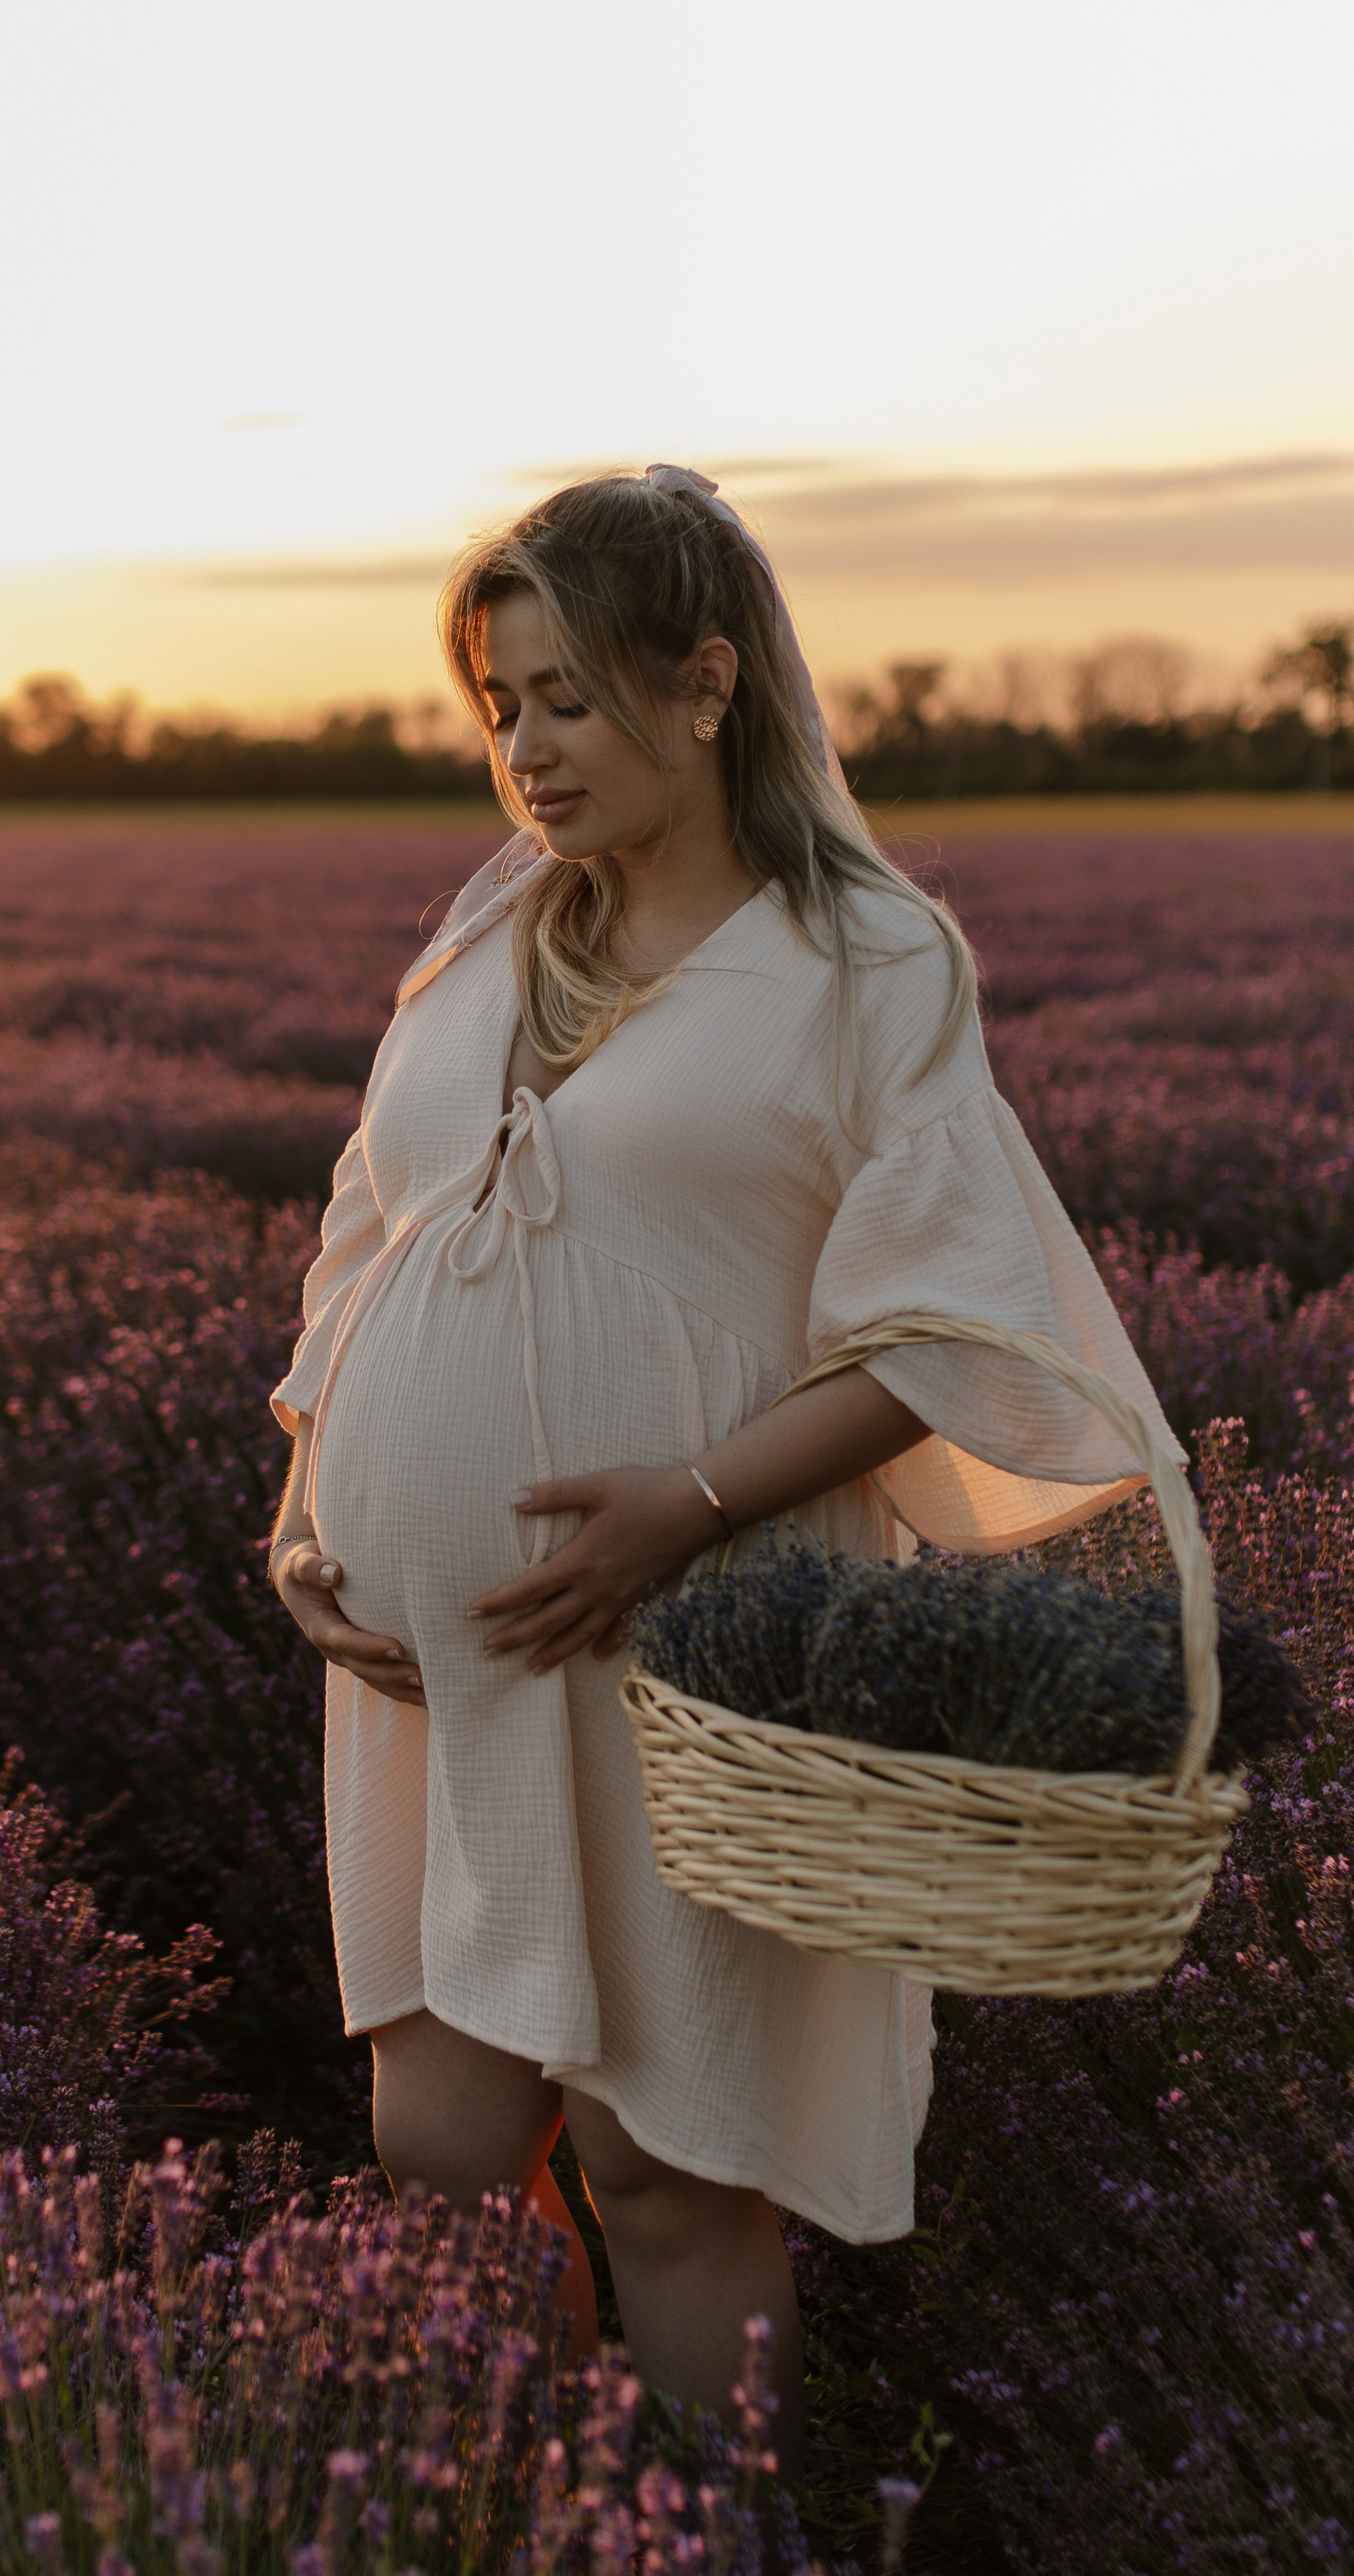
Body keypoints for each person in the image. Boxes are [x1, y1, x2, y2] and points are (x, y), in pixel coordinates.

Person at [267, 466, 1180, 2462]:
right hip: (437, 1668)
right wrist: (306, 1502)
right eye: (499, 704)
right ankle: (526, 2526)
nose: (525, 749)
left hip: (685, 1639)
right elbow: (367, 1231)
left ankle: (713, 2555)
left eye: (568, 698)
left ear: (705, 682)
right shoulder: (494, 925)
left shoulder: (866, 961)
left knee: (665, 2166)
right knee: (440, 2150)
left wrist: (680, 1509)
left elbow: (951, 1326)